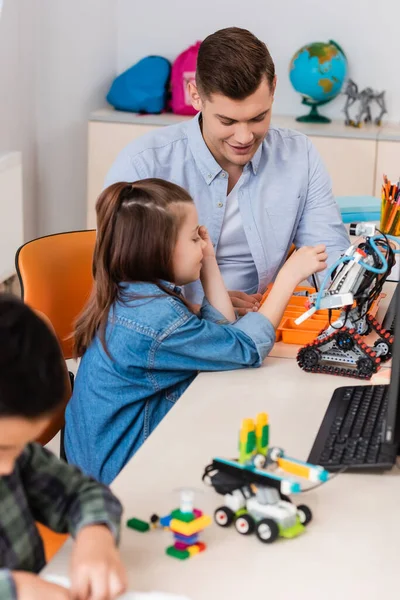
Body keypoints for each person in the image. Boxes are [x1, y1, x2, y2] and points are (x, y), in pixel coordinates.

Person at [64, 178, 327, 484]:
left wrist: (209, 261)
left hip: (104, 457)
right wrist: (289, 276)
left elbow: (221, 338)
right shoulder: (155, 319)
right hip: (120, 474)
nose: (202, 244)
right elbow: (245, 349)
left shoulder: (136, 294)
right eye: (193, 239)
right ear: (158, 249)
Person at [105, 27, 349, 314]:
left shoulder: (299, 155)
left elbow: (330, 258)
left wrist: (344, 296)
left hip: (263, 328)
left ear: (273, 90)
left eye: (258, 118)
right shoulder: (143, 164)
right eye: (227, 121)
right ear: (195, 96)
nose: (244, 137)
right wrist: (199, 309)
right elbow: (118, 285)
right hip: (174, 333)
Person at [0, 295, 127, 600]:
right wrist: (14, 589)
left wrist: (94, 533)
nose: (8, 468)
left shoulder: (15, 458)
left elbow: (80, 492)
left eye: (18, 447)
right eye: (3, 447)